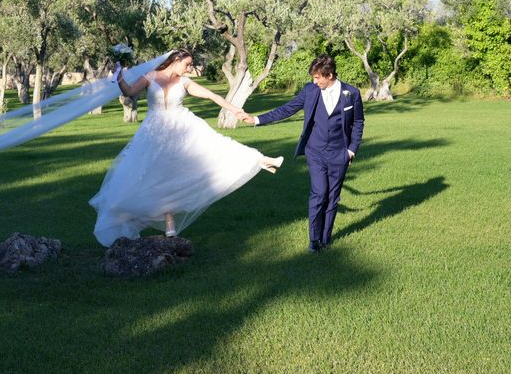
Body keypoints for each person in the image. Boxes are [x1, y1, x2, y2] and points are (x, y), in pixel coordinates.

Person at [89, 49, 284, 247]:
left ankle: (259, 159)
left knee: (216, 146)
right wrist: (120, 77)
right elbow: (129, 91)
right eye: (187, 64)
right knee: (154, 175)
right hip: (154, 132)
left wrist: (234, 109)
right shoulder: (150, 77)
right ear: (176, 60)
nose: (189, 68)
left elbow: (213, 96)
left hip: (182, 127)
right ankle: (160, 222)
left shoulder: (185, 82)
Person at [240, 55, 364, 253]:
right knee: (319, 193)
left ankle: (326, 239)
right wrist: (256, 119)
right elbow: (287, 109)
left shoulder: (352, 93)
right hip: (315, 152)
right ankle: (314, 242)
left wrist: (351, 150)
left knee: (333, 198)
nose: (314, 81)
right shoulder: (310, 91)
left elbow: (358, 122)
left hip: (340, 153)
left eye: (317, 78)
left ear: (329, 75)